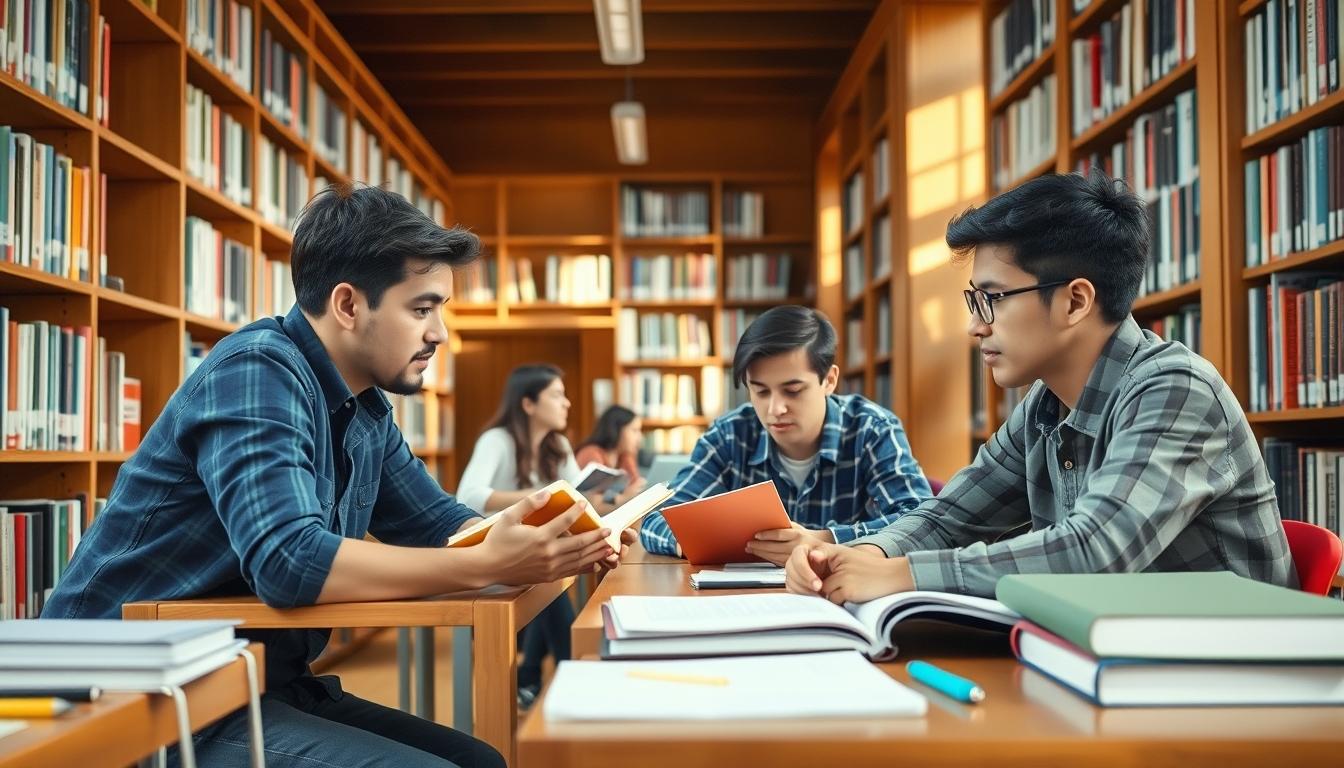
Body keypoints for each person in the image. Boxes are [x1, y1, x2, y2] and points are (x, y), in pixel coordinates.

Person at [44, 184, 631, 768]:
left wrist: (563, 532)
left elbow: (439, 523)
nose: (439, 334)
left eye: (440, 311)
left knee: (481, 761)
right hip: (128, 697)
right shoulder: (257, 371)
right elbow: (288, 561)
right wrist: (486, 563)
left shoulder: (366, 408)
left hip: (247, 679)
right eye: (421, 308)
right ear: (349, 305)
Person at [785, 170, 1296, 603]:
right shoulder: (1045, 405)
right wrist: (865, 555)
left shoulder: (1177, 389)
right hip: (1120, 659)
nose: (975, 326)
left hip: (1237, 682)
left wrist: (902, 574)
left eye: (994, 299)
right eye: (974, 301)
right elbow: (949, 517)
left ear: (1075, 302)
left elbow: (1096, 551)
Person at [639, 305, 934, 565]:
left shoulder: (872, 429)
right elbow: (657, 521)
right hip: (744, 604)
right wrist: (704, 543)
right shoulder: (730, 436)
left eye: (793, 391)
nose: (775, 409)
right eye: (760, 391)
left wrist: (824, 540)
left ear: (829, 380)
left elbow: (921, 523)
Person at [457, 365, 621, 709]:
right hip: (493, 554)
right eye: (557, 395)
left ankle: (538, 675)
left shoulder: (557, 444)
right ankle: (569, 673)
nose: (567, 403)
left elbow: (576, 497)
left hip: (534, 552)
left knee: (550, 574)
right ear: (528, 404)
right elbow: (469, 497)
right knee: (548, 579)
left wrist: (612, 504)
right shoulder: (497, 440)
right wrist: (541, 495)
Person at [574, 405, 646, 502]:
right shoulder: (591, 453)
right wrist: (625, 497)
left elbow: (637, 488)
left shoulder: (625, 455)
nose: (640, 438)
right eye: (634, 430)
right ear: (616, 429)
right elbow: (592, 502)